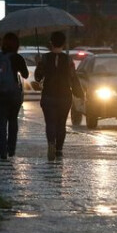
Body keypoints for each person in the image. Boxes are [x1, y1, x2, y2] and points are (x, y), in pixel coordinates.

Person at [34, 30, 84, 161]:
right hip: (65, 96)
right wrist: (79, 93)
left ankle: (51, 143)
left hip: (48, 95)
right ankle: (59, 150)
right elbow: (73, 78)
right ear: (64, 43)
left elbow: (38, 78)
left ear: (51, 43)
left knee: (50, 122)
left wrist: (39, 64)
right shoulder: (68, 60)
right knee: (61, 124)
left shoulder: (44, 58)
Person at [0, 32, 30, 160]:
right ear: (17, 45)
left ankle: (2, 152)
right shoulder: (17, 58)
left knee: (1, 122)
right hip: (14, 93)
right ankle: (11, 149)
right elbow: (25, 75)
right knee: (13, 120)